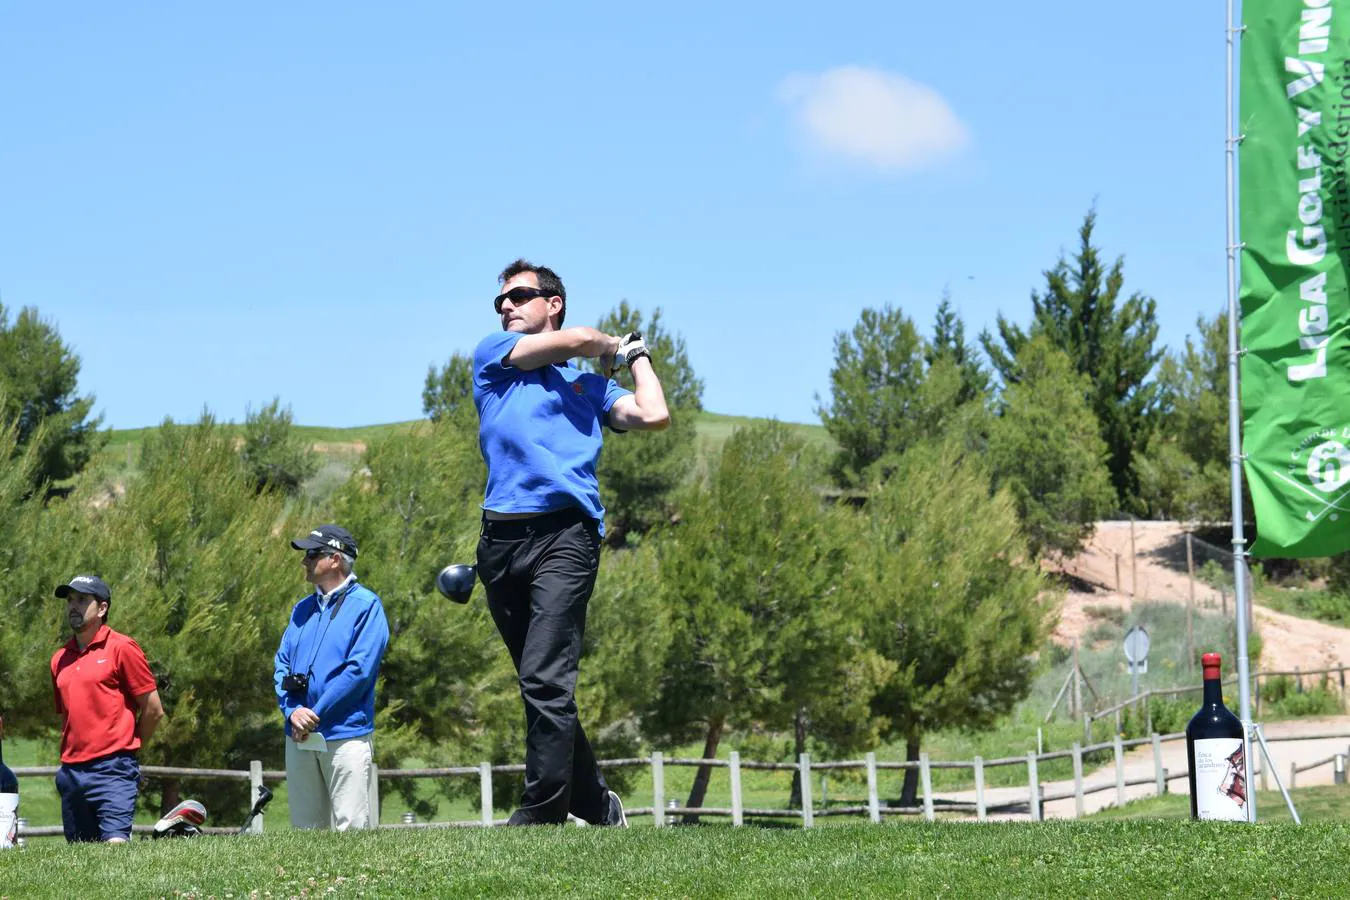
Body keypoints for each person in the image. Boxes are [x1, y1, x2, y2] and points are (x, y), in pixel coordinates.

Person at [473, 258, 671, 826]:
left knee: (544, 678)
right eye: (501, 300)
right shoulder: (493, 359)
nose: (507, 307)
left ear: (551, 303)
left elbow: (654, 415)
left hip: (567, 535)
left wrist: (637, 361)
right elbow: (584, 339)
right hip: (501, 543)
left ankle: (543, 811)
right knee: (539, 683)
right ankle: (594, 800)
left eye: (519, 297)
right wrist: (613, 345)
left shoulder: (587, 386)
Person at [273, 524, 389, 831]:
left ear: (335, 559)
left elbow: (358, 672)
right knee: (306, 832)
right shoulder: (302, 609)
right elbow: (282, 663)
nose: (304, 562)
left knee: (350, 828)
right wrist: (292, 711)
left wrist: (314, 713)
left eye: (311, 554)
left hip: (345, 734)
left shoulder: (367, 606)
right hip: (299, 735)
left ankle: (355, 882)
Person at [50, 574, 164, 843]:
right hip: (71, 774)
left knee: (115, 849)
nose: (73, 606)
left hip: (113, 770)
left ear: (102, 609)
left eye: (81, 600)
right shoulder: (59, 660)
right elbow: (67, 717)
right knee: (82, 863)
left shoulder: (122, 648)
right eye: (70, 601)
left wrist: (131, 748)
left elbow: (153, 710)